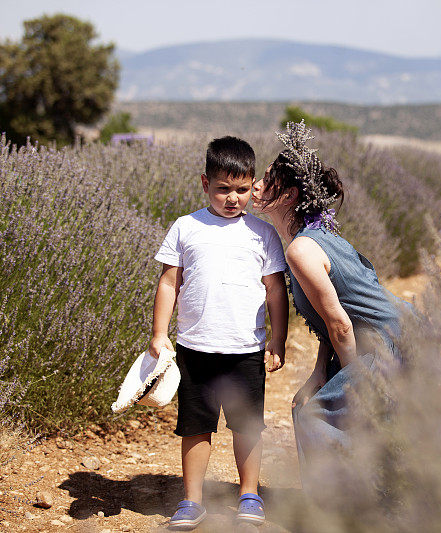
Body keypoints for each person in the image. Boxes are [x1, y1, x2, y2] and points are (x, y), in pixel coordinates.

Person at [251, 121, 407, 496]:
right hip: (383, 339)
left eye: (267, 179)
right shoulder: (318, 236)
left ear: (288, 195)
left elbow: (339, 324)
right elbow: (331, 321)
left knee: (316, 417)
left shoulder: (301, 249)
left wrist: (355, 385)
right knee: (306, 404)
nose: (256, 184)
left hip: (390, 344)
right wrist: (321, 373)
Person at [150, 136, 288, 528]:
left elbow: (276, 289)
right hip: (195, 347)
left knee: (247, 426)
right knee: (195, 427)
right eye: (223, 188)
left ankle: (249, 495)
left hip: (246, 348)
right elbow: (168, 283)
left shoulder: (262, 234)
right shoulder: (185, 227)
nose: (233, 198)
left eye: (242, 190)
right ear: (204, 183)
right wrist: (159, 334)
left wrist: (277, 339)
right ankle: (192, 500)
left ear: (252, 187)